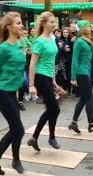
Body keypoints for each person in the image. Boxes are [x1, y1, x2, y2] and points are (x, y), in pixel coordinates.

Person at [0, 11, 26, 175]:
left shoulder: (21, 43)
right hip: (2, 93)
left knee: (16, 129)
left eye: (21, 22)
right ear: (9, 27)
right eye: (18, 23)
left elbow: (15, 71)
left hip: (13, 93)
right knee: (18, 130)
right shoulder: (2, 49)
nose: (21, 25)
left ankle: (14, 160)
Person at [27, 11, 61, 151]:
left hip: (48, 76)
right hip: (40, 76)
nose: (54, 24)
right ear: (44, 23)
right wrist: (31, 85)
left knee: (51, 109)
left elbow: (52, 61)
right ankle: (51, 138)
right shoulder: (39, 41)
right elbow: (32, 64)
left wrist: (53, 79)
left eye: (54, 22)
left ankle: (34, 138)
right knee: (55, 109)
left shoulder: (52, 38)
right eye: (51, 22)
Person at [68, 20, 93, 133]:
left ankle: (74, 122)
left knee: (84, 99)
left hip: (85, 72)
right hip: (81, 73)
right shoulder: (79, 41)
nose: (90, 28)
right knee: (90, 98)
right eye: (88, 26)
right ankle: (91, 125)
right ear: (83, 28)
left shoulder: (85, 40)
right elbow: (74, 60)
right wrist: (73, 78)